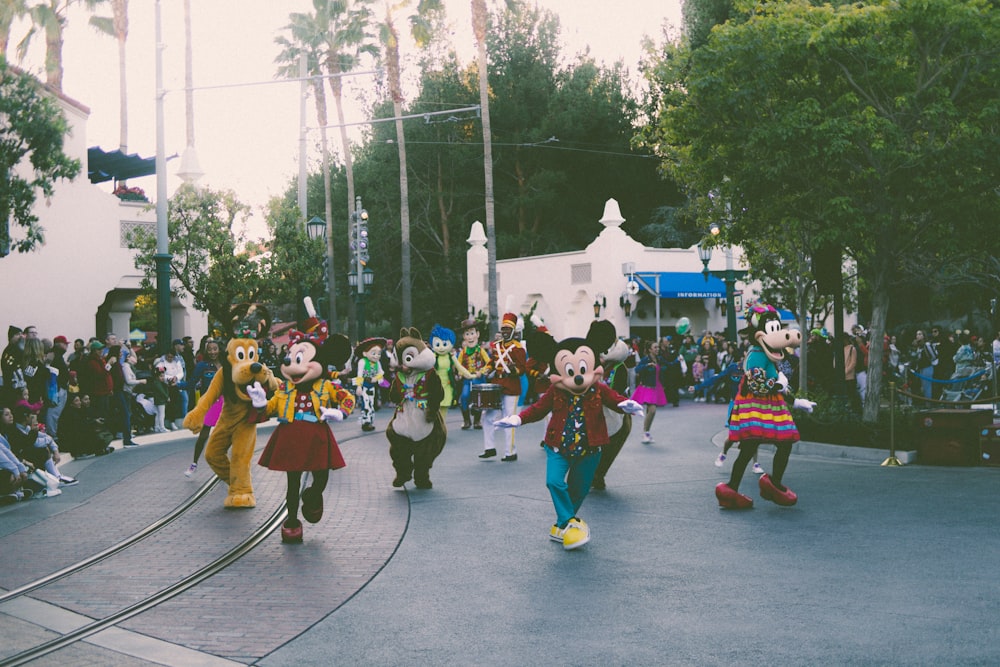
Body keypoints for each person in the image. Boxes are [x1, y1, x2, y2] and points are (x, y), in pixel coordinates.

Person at [494, 327, 643, 550]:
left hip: (590, 451)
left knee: (578, 490)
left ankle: (561, 525)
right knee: (553, 481)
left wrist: (625, 405)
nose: (579, 377)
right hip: (558, 448)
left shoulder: (598, 389)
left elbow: (615, 399)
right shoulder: (556, 392)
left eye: (583, 369)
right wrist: (518, 419)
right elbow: (537, 410)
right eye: (570, 371)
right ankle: (572, 523)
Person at [715, 304, 814, 510]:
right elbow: (755, 382)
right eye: (771, 329)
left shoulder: (766, 354)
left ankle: (734, 489)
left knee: (755, 447)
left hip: (768, 405)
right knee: (771, 445)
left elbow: (775, 384)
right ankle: (770, 485)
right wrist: (777, 384)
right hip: (755, 406)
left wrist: (795, 401)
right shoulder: (756, 354)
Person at [480, 312, 527, 461]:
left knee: (509, 419)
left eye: (508, 329)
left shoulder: (518, 348)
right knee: (487, 416)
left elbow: (522, 370)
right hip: (497, 384)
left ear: (513, 331)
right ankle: (489, 448)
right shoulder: (497, 346)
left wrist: (513, 369)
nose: (505, 331)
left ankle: (510, 452)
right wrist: (486, 370)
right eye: (503, 329)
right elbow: (492, 362)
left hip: (511, 385)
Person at [4, 402, 76, 486]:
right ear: (26, 417)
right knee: (42, 450)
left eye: (11, 414)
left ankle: (56, 476)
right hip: (19, 459)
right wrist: (35, 432)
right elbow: (34, 443)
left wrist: (55, 451)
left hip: (23, 457)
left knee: (43, 448)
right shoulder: (14, 431)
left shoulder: (26, 428)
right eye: (7, 414)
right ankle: (56, 477)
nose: (11, 416)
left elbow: (47, 437)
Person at [185, 338, 222, 476]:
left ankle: (227, 464)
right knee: (204, 435)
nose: (213, 352)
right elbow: (191, 383)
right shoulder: (202, 365)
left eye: (215, 349)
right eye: (210, 349)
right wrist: (176, 385)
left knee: (228, 434)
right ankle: (194, 464)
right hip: (211, 402)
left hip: (227, 403)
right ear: (206, 351)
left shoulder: (226, 363)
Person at [456, 318, 490, 430]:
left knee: (478, 398)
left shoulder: (481, 350)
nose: (470, 337)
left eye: (472, 333)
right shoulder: (463, 352)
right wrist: (461, 374)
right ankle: (466, 420)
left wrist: (482, 371)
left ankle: (477, 421)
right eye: (467, 334)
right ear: (464, 337)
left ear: (477, 334)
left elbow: (489, 363)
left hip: (479, 379)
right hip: (467, 379)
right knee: (465, 396)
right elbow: (458, 365)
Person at [631, 341, 666, 444]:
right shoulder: (646, 359)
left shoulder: (659, 359)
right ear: (650, 349)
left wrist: (678, 360)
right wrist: (647, 365)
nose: (657, 349)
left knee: (649, 412)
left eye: (658, 347)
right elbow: (637, 370)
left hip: (656, 388)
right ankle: (645, 433)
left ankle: (647, 432)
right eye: (655, 347)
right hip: (646, 388)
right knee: (652, 410)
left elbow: (668, 365)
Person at [352, 338, 386, 433]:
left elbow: (381, 372)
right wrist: (359, 386)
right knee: (365, 403)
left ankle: (370, 420)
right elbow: (359, 374)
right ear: (365, 353)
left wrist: (377, 377)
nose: (376, 356)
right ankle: (365, 422)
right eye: (373, 353)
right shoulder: (362, 361)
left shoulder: (377, 363)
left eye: (378, 353)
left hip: (372, 385)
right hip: (364, 385)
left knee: (371, 403)